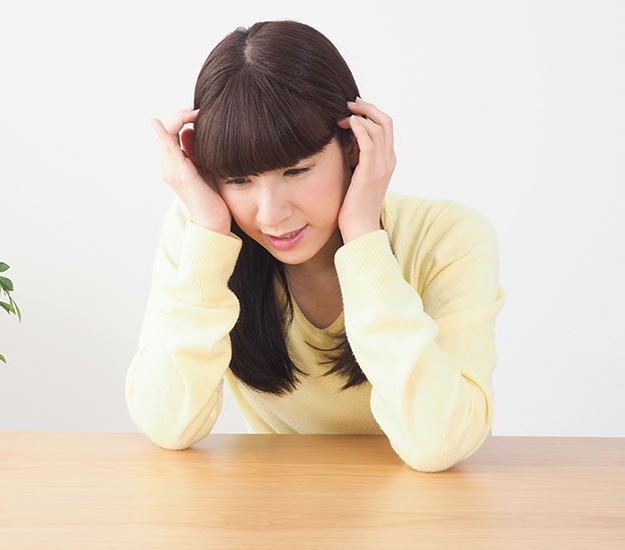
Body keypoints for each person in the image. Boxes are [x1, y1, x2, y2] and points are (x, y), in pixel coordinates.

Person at [125, 20, 506, 473]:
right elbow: (167, 425)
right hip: (274, 513)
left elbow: (438, 444)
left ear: (354, 144)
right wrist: (209, 231)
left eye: (297, 170)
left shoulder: (449, 238)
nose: (270, 215)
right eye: (239, 180)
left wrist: (364, 237)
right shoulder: (206, 232)